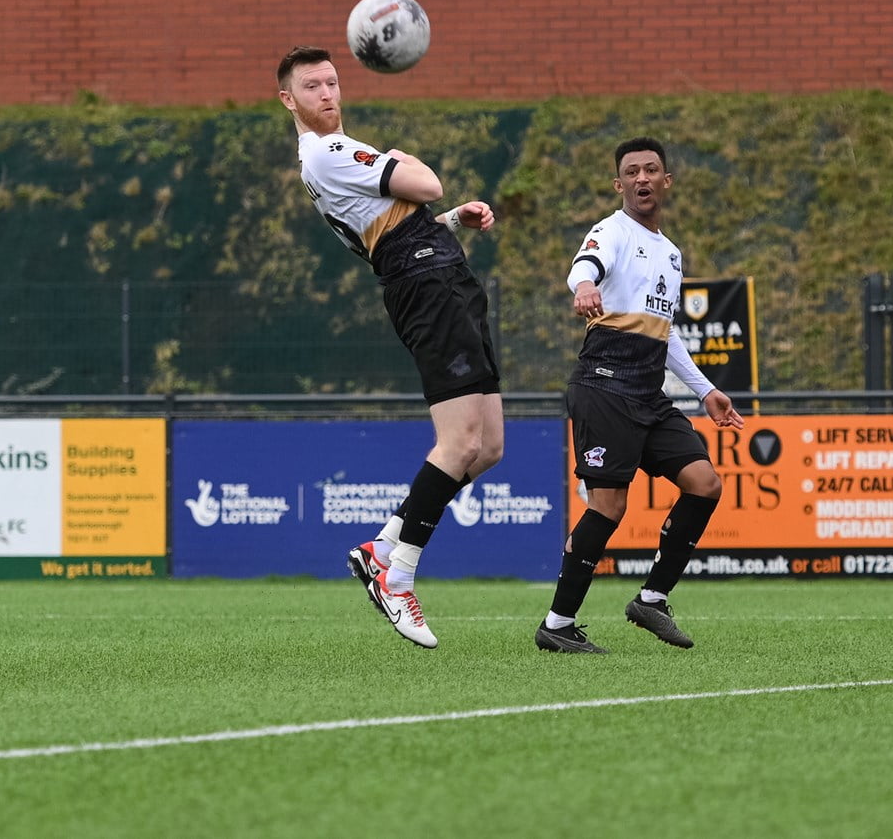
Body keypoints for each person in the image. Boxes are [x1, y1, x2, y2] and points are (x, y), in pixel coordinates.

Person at [277, 46, 503, 649]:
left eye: (332, 81)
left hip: (437, 268)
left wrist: (447, 221)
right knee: (460, 443)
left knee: (488, 448)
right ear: (288, 100)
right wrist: (403, 158)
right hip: (426, 284)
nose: (327, 93)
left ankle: (383, 548)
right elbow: (425, 183)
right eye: (312, 86)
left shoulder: (333, 156)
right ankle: (396, 573)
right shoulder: (328, 151)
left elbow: (386, 227)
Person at [535, 137, 745, 654]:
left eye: (651, 170)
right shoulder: (612, 231)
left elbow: (666, 334)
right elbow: (583, 266)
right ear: (619, 184)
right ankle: (558, 625)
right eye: (632, 172)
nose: (642, 178)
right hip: (604, 386)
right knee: (609, 507)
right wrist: (584, 286)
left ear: (666, 181)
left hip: (649, 396)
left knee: (704, 484)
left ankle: (652, 599)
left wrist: (707, 391)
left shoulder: (671, 254)